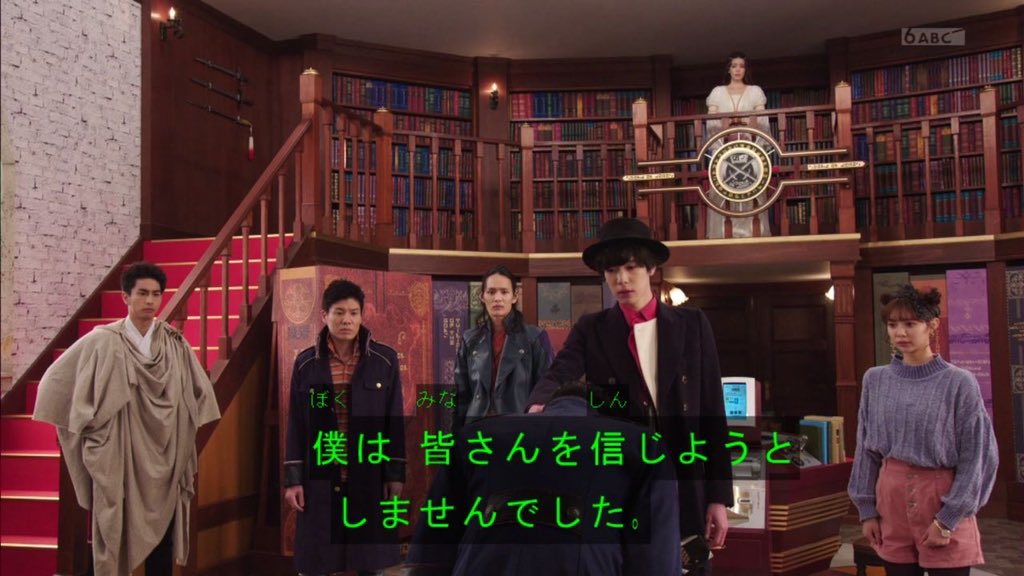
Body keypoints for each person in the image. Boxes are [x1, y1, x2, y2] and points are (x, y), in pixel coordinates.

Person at [525, 217, 733, 574]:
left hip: (684, 477)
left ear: (651, 268)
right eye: (611, 271)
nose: (621, 279)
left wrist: (718, 497)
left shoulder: (692, 324)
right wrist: (538, 406)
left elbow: (713, 413)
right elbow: (559, 373)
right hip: (623, 477)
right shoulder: (593, 328)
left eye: (631, 267)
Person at [33, 262, 221, 575]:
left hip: (165, 454)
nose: (150, 301)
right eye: (142, 293)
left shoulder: (173, 343)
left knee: (163, 542)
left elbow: (199, 393)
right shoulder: (103, 340)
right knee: (112, 530)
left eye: (156, 294)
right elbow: (54, 381)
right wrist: (87, 425)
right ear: (126, 297)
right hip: (119, 453)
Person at [406, 382, 682, 575]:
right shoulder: (641, 445)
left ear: (543, 407)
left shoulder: (475, 435)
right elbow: (656, 555)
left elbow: (433, 539)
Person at [848, 285, 998, 576]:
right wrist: (866, 511)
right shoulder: (875, 380)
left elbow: (977, 456)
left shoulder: (959, 382)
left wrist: (948, 518)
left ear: (932, 325)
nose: (900, 333)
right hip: (890, 501)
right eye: (893, 325)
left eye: (910, 324)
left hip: (942, 497)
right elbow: (866, 450)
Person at [284, 279, 406, 576]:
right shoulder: (306, 364)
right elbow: (296, 424)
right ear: (324, 315)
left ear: (362, 315)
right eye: (339, 313)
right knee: (318, 559)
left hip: (369, 471)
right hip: (322, 473)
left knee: (370, 559)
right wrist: (293, 480)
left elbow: (394, 421)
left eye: (353, 313)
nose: (347, 320)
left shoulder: (384, 360)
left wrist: (395, 474)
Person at [452, 265, 553, 432]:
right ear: (482, 296)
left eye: (504, 292)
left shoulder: (535, 338)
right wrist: (456, 435)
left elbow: (546, 389)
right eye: (491, 292)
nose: (497, 298)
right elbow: (460, 395)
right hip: (477, 428)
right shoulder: (469, 340)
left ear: (514, 296)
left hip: (519, 429)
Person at [704, 51, 772, 239]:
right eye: (734, 66)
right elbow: (711, 123)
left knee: (753, 187)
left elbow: (762, 122)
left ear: (745, 69)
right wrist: (726, 134)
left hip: (749, 147)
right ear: (728, 69)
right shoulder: (717, 92)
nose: (738, 70)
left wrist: (750, 137)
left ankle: (754, 232)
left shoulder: (755, 91)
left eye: (741, 66)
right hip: (724, 148)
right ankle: (720, 233)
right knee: (722, 186)